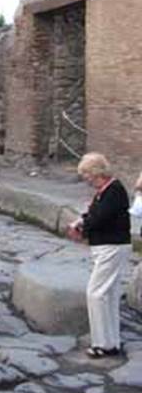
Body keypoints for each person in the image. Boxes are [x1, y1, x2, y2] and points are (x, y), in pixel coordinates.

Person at [67, 153, 131, 358]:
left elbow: (100, 218)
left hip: (111, 247)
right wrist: (80, 222)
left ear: (96, 172)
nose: (85, 179)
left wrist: (82, 230)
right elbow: (94, 213)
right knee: (109, 294)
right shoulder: (106, 191)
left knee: (96, 293)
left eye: (86, 174)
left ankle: (102, 343)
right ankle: (112, 342)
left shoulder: (114, 190)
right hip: (109, 246)